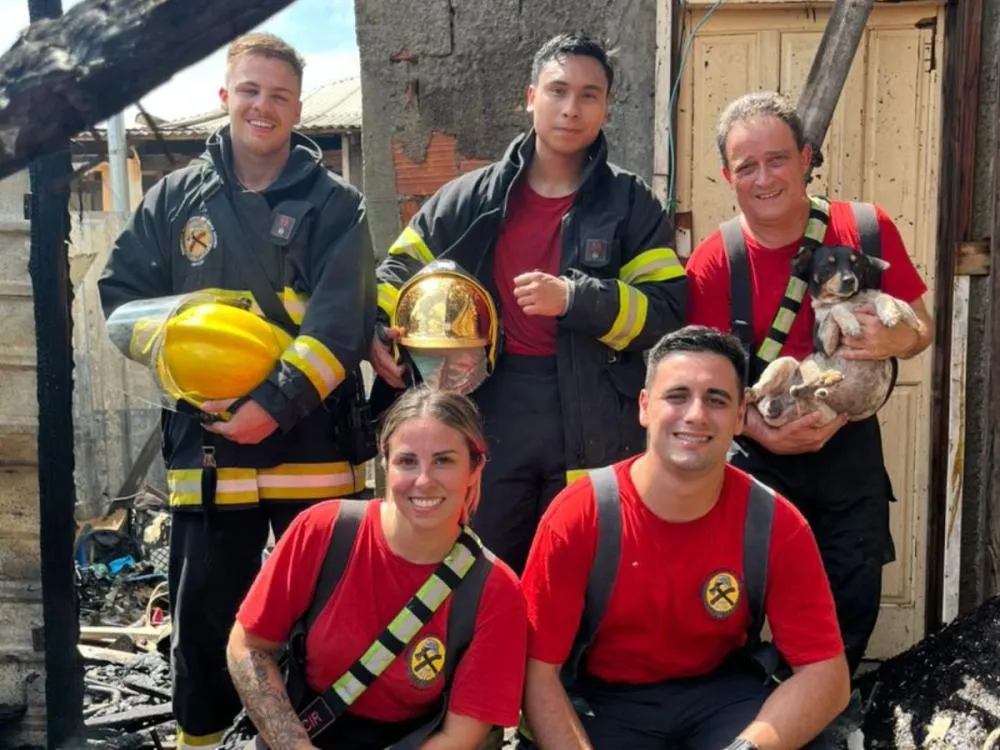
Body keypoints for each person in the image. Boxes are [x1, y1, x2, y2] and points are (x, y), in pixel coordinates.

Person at [98, 33, 376, 749]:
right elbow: (123, 300)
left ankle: (328, 739)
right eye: (249, 91)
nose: (263, 106)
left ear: (297, 106)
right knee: (204, 622)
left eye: (279, 94)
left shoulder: (333, 204)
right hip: (210, 449)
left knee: (328, 614)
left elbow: (341, 324)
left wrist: (271, 405)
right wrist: (188, 382)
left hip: (312, 444)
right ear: (225, 97)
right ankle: (201, 740)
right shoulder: (174, 200)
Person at [371, 32, 686, 575]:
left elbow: (665, 312)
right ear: (530, 96)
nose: (571, 107)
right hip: (493, 404)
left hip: (594, 414)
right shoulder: (473, 197)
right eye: (558, 90)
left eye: (589, 94)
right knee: (488, 566)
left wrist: (574, 298)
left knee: (581, 570)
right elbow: (398, 270)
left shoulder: (630, 202)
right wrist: (380, 328)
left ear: (607, 107)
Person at [683, 91, 933, 677]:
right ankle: (744, 706)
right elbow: (697, 377)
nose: (764, 178)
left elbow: (922, 327)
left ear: (805, 156)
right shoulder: (715, 261)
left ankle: (832, 701)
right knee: (740, 591)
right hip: (757, 451)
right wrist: (758, 432)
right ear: (727, 175)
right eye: (747, 166)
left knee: (854, 577)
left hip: (849, 442)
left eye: (777, 159)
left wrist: (897, 340)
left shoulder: (866, 228)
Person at [521, 326, 850, 750]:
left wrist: (748, 749)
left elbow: (825, 672)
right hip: (604, 704)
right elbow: (537, 671)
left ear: (739, 417)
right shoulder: (578, 514)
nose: (695, 415)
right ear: (644, 407)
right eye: (677, 396)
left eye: (716, 399)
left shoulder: (773, 522)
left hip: (723, 699)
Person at [227, 386, 527, 750]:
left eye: (444, 460)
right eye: (407, 461)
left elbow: (461, 735)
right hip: (306, 733)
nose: (424, 480)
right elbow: (248, 645)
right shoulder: (324, 531)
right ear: (384, 463)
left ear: (475, 467)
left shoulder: (495, 591)